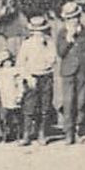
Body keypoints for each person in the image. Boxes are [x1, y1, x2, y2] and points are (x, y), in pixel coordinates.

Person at [56, 1, 85, 145]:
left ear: (79, 16)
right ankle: (69, 133)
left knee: (81, 101)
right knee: (69, 102)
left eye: (75, 17)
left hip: (83, 70)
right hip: (68, 71)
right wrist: (69, 39)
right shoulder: (62, 33)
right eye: (69, 18)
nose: (73, 20)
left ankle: (78, 130)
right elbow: (61, 53)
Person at [16, 14, 58, 146]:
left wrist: (45, 50)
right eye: (36, 32)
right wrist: (28, 77)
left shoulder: (49, 43)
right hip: (31, 77)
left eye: (41, 32)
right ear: (32, 32)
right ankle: (26, 135)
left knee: (45, 107)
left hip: (46, 76)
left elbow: (53, 60)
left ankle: (42, 134)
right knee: (29, 107)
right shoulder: (27, 44)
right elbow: (20, 63)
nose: (39, 35)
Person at [0, 51, 25, 143]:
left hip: (13, 96)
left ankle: (18, 135)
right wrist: (1, 57)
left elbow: (20, 84)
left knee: (16, 118)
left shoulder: (15, 71)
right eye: (5, 61)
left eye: (9, 61)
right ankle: (5, 136)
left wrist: (19, 95)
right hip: (4, 97)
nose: (7, 63)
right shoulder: (0, 71)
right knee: (4, 118)